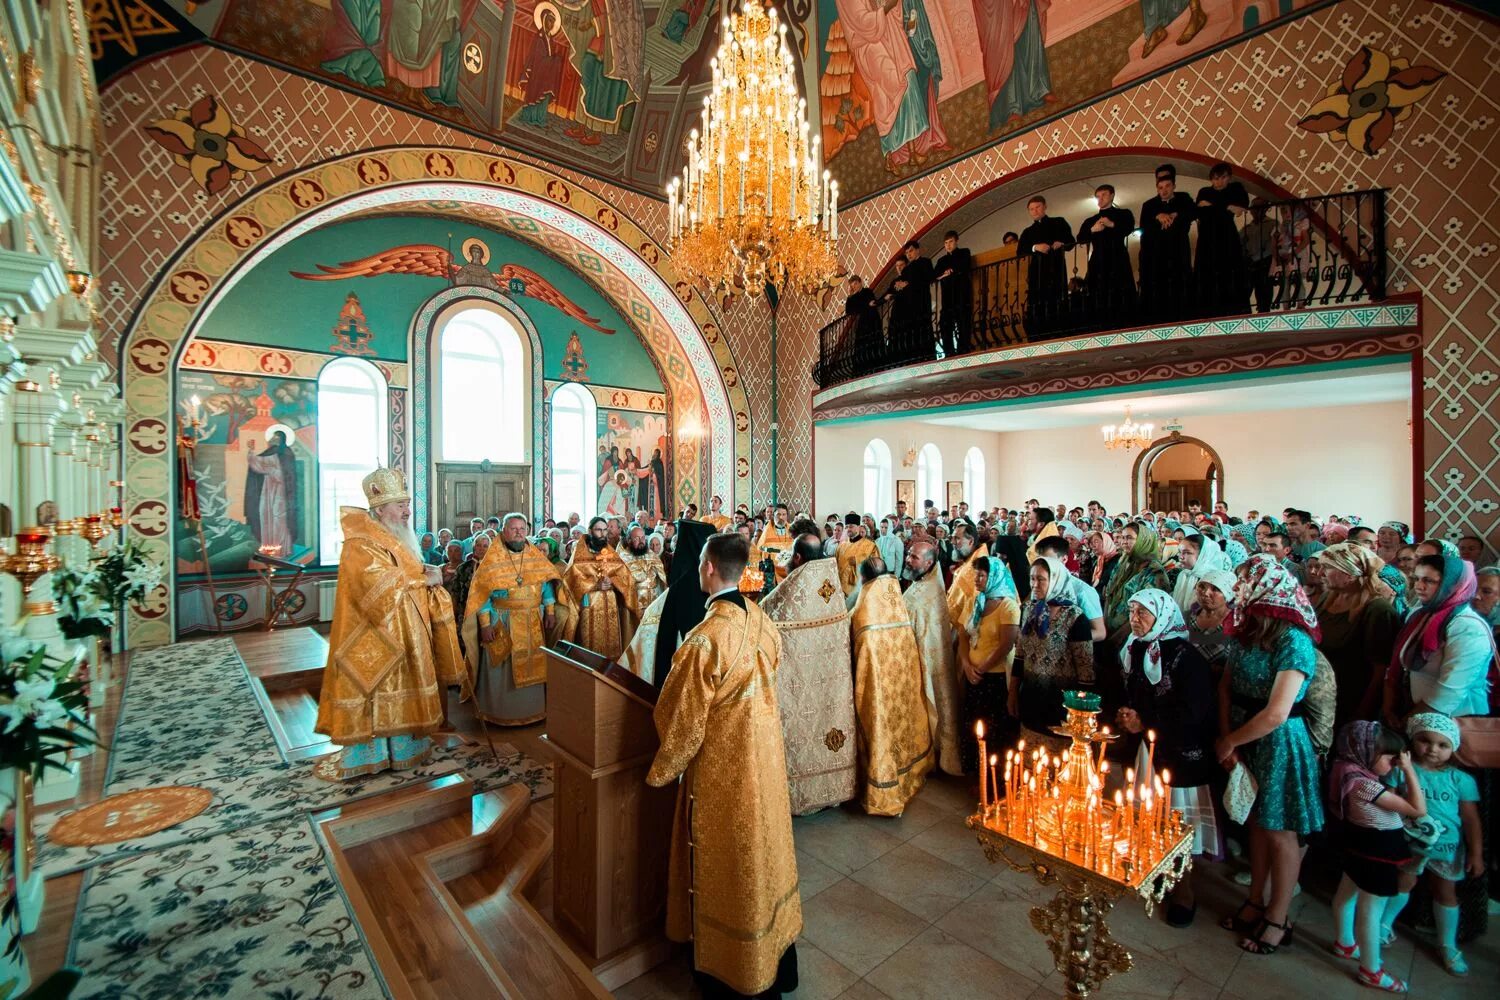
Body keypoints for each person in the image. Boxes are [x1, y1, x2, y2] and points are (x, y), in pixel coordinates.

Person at [646, 532, 801, 998]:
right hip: (765, 761)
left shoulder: (704, 641)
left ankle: (733, 971)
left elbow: (679, 720)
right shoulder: (760, 618)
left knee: (731, 863)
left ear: (710, 568)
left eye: (698, 563)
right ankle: (779, 959)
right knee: (764, 853)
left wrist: (661, 767)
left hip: (724, 773)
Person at [314, 468, 465, 780]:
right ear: (380, 509)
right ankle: (371, 755)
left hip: (405, 629)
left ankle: (404, 749)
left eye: (408, 504)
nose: (407, 511)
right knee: (377, 689)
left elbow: (402, 568)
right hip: (375, 635)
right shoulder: (361, 540)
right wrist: (424, 578)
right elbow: (373, 585)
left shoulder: (394, 535)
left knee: (406, 684)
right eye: (400, 506)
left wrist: (425, 570)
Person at [1215, 555, 1324, 956]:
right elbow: (1227, 686)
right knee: (1258, 824)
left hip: (1277, 740)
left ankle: (1279, 916)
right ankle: (1255, 900)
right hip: (1245, 734)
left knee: (1281, 831)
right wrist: (1229, 736)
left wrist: (1232, 741)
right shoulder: (1247, 631)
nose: (1238, 588)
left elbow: (1278, 711)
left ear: (1266, 587)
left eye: (1244, 581)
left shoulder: (1293, 640)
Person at [1117, 588, 1221, 927]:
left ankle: (1184, 891)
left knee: (1178, 822)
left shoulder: (1186, 658)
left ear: (1162, 615)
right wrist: (1129, 716)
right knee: (1151, 816)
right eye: (1132, 611)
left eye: (1144, 613)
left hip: (1181, 754)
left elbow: (1193, 712)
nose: (1135, 618)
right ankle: (1154, 870)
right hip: (1150, 748)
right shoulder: (1137, 649)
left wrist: (1144, 721)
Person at [1377, 713, 1483, 978]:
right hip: (1410, 844)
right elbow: (1387, 802)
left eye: (1442, 745)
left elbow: (1471, 819)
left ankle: (1447, 944)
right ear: (1414, 740)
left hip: (1446, 848)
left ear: (1453, 748)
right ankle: (1382, 926)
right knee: (1404, 883)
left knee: (1445, 892)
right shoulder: (1400, 771)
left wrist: (1477, 853)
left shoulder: (1461, 780)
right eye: (1426, 741)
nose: (1433, 749)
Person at [1325, 721, 1426, 993]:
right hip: (1378, 852)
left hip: (1359, 844)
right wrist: (1409, 771)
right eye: (1390, 758)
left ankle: (1345, 942)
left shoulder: (1345, 768)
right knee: (1372, 910)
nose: (1394, 764)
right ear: (1366, 752)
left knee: (1346, 894)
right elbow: (1417, 809)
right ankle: (1371, 970)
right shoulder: (1364, 785)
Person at [760, 533, 857, 814]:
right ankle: (835, 789)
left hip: (800, 685)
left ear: (798, 558)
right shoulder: (831, 584)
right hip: (830, 684)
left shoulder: (793, 589)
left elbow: (763, 618)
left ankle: (802, 793)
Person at [462, 513, 571, 727]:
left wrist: (549, 611)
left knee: (534, 662)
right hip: (502, 620)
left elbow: (546, 584)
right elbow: (481, 596)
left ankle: (532, 710)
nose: (519, 533)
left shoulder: (534, 556)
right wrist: (485, 625)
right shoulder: (492, 559)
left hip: (532, 619)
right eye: (514, 529)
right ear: (504, 531)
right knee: (501, 666)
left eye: (522, 528)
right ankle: (500, 713)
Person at [849, 557, 934, 815]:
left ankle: (884, 788)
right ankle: (910, 769)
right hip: (899, 683)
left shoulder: (863, 609)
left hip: (878, 686)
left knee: (880, 727)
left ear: (863, 579)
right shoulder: (896, 600)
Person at [1384, 554, 1495, 725]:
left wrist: (1409, 721)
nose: (1419, 586)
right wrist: (1390, 709)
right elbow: (1398, 665)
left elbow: (1451, 689)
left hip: (1456, 719)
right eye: (1417, 579)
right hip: (1418, 713)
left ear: (1453, 584)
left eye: (1429, 581)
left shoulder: (1468, 626)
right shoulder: (1420, 614)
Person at [1315, 543, 1400, 730]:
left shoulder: (1377, 611)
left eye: (1327, 567)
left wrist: (1362, 712)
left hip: (1350, 699)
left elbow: (1380, 671)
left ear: (1350, 574)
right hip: (1320, 695)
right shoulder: (1327, 598)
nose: (1319, 573)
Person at [1010, 557, 1089, 754]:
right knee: (1030, 760)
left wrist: (1080, 713)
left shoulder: (1075, 617)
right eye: (1032, 579)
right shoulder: (1029, 609)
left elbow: (1085, 670)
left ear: (1056, 580)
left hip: (1061, 703)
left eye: (1041, 579)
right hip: (1030, 696)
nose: (1034, 585)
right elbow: (1020, 655)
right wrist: (1012, 692)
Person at [903, 538, 963, 776]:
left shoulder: (928, 593)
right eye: (908, 554)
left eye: (914, 557)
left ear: (928, 563)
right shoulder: (920, 584)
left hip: (926, 661)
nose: (908, 559)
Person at [562, 516, 639, 660]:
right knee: (589, 647)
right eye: (599, 530)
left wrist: (615, 582)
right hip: (588, 605)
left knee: (611, 646)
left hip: (610, 605)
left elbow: (625, 578)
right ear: (590, 531)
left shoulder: (610, 553)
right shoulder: (579, 554)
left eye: (605, 530)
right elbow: (570, 582)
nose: (603, 534)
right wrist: (595, 585)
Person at [1137, 164, 1197, 323]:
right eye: (1160, 187)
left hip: (1178, 248)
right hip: (1157, 253)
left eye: (1167, 186)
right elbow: (1144, 227)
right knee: (1159, 286)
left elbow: (1193, 212)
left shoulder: (1184, 199)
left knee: (1180, 282)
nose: (1164, 190)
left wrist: (1174, 215)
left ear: (1174, 185)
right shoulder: (1149, 205)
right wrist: (1158, 217)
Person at [1194, 162, 1251, 316]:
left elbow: (1242, 206)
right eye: (1216, 178)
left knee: (1230, 269)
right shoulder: (1204, 191)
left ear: (1229, 178)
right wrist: (1226, 207)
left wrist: (1213, 207)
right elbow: (1200, 212)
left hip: (1226, 236)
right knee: (1208, 272)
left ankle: (1233, 308)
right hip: (1207, 238)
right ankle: (1208, 310)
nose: (1219, 182)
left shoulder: (1236, 188)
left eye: (1223, 178)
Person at [1075, 183, 1137, 324]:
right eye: (1098, 196)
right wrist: (1092, 230)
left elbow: (1128, 228)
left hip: (1118, 257)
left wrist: (1112, 225)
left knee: (1120, 290)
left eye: (1104, 195)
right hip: (1098, 260)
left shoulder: (1123, 214)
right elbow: (1080, 239)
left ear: (1112, 195)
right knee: (1098, 291)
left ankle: (1124, 321)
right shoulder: (1091, 221)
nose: (1100, 199)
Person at [1017, 196, 1074, 337]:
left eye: (1038, 207)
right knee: (1037, 300)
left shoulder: (1058, 222)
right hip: (1037, 271)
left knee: (1057, 298)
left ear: (1045, 206)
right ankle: (1040, 334)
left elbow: (1071, 242)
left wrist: (1061, 243)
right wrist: (1036, 247)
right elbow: (1020, 252)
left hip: (1056, 268)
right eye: (1031, 209)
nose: (1035, 211)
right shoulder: (1027, 232)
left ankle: (1059, 332)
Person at [1103, 522, 1171, 637]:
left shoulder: (1153, 571)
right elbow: (1110, 594)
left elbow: (1146, 611)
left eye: (1129, 538)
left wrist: (1118, 638)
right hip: (1110, 629)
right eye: (1122, 537)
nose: (1124, 542)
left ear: (1143, 540)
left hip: (1134, 634)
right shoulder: (1123, 562)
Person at [891, 240, 935, 361]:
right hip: (910, 305)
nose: (909, 254)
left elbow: (929, 278)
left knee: (924, 327)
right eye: (906, 253)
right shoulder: (906, 269)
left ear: (917, 250)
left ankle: (927, 357)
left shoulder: (925, 262)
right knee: (912, 331)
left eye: (910, 251)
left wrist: (908, 284)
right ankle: (913, 358)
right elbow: (903, 286)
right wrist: (901, 285)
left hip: (922, 301)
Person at [1170, 530, 1233, 615]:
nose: (1181, 557)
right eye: (1179, 552)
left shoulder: (1211, 580)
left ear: (1203, 556)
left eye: (1187, 553)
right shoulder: (1184, 574)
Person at [933, 230, 973, 356]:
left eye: (950, 242)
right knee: (945, 324)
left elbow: (964, 266)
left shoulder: (964, 252)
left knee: (963, 322)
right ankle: (949, 352)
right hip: (947, 296)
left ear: (956, 241)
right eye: (946, 243)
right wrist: (946, 273)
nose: (948, 245)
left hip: (961, 293)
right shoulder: (941, 260)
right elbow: (935, 275)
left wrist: (951, 271)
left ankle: (963, 349)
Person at [619, 521, 668, 613]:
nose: (641, 541)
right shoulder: (623, 558)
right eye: (636, 538)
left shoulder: (651, 555)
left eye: (642, 538)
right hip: (633, 605)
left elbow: (662, 580)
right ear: (629, 540)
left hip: (653, 603)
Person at [1241, 197, 1280, 313]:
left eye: (1260, 207)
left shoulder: (1273, 224)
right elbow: (1239, 243)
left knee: (1264, 295)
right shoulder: (1247, 228)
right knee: (1244, 294)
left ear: (1266, 209)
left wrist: (1254, 258)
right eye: (1254, 208)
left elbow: (1271, 246)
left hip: (1265, 264)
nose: (1256, 211)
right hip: (1249, 265)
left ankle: (1263, 318)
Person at [842, 274, 883, 370]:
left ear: (860, 282)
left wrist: (862, 306)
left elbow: (871, 304)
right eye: (852, 286)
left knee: (874, 342)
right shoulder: (853, 297)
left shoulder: (867, 291)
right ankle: (862, 368)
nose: (854, 287)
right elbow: (849, 311)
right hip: (863, 322)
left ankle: (876, 365)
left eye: (855, 284)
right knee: (861, 345)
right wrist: (850, 296)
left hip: (872, 320)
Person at [835, 513, 878, 596]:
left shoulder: (870, 546)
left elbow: (875, 569)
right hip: (841, 589)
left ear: (858, 527)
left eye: (851, 526)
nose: (848, 529)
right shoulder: (841, 546)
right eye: (846, 527)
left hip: (859, 589)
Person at [758, 503, 794, 584]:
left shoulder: (792, 530)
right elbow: (760, 549)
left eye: (784, 514)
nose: (781, 517)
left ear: (787, 516)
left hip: (788, 568)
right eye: (778, 514)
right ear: (773, 515)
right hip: (772, 570)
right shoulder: (767, 531)